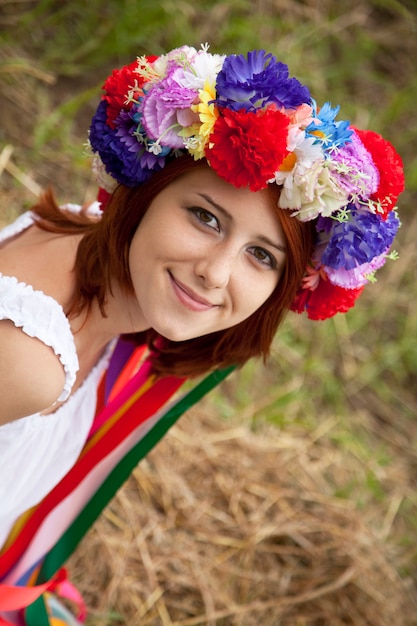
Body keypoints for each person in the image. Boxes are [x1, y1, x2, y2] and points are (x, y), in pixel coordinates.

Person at [0, 43, 404, 575]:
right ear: (145, 192)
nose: (215, 274)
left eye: (261, 256)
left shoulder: (76, 234)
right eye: (205, 217)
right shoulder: (29, 363)